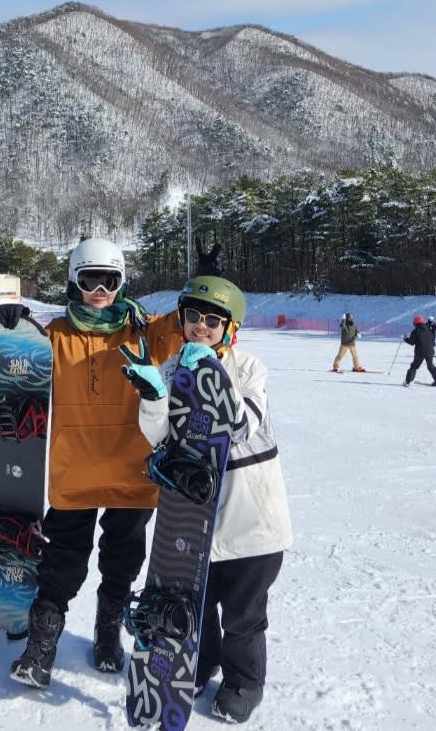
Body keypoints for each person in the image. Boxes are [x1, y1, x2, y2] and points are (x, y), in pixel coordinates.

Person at [9, 237, 183, 688]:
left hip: (131, 472)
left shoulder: (144, 332)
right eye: (90, 280)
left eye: (109, 280)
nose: (100, 289)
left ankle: (108, 634)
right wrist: (12, 329)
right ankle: (41, 647)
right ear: (74, 282)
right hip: (75, 475)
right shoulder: (55, 336)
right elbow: (12, 361)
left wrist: (206, 283)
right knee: (61, 565)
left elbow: (196, 326)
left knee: (123, 562)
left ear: (122, 281)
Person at [127, 275, 293, 724]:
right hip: (194, 517)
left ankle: (243, 682)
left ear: (230, 330)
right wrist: (154, 396)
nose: (200, 327)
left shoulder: (249, 370)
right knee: (196, 604)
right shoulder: (170, 368)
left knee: (243, 614)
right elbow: (157, 435)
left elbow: (239, 425)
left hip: (250, 523)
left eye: (212, 321)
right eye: (193, 317)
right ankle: (200, 663)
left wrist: (211, 375)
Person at [403, 315, 436, 387]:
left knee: (414, 366)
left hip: (420, 351)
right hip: (430, 351)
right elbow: (432, 340)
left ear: (415, 323)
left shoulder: (415, 331)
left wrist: (405, 338)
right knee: (431, 366)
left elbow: (411, 342)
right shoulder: (428, 330)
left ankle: (408, 381)